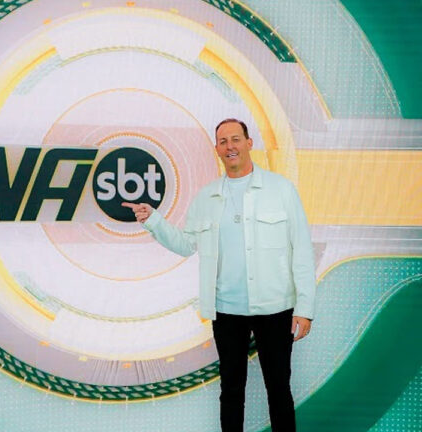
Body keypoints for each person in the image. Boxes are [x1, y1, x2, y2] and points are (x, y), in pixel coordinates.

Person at [122, 119, 316, 432]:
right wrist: (153, 220)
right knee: (231, 392)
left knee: (279, 390)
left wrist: (305, 309)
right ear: (217, 149)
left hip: (276, 309)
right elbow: (186, 245)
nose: (230, 146)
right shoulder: (207, 197)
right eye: (223, 141)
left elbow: (302, 251)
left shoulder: (281, 190)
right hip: (227, 312)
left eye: (235, 139)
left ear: (249, 143)